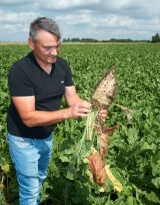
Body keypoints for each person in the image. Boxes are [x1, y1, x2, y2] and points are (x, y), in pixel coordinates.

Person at [6, 17, 106, 205]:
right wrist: (68, 113)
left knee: (41, 177)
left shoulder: (62, 65)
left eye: (58, 45)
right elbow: (28, 118)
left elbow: (73, 99)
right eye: (47, 47)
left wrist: (93, 111)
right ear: (31, 43)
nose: (54, 52)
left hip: (47, 137)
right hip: (23, 140)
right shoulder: (20, 71)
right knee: (30, 190)